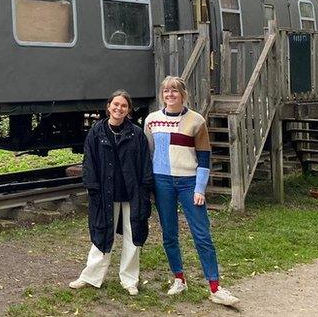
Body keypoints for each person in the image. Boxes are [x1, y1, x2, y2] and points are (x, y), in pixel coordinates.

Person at [145, 76, 240, 307]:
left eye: (174, 91)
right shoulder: (151, 120)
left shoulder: (196, 120)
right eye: (166, 91)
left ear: (183, 94)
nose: (170, 95)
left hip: (188, 183)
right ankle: (179, 278)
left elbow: (205, 157)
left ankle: (215, 286)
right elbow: (148, 154)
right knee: (169, 234)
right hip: (162, 182)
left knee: (202, 234)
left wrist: (200, 188)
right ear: (162, 94)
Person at [69, 90, 153, 295]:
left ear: (128, 110)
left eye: (124, 105)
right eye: (116, 104)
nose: (119, 108)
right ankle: (91, 277)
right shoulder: (96, 132)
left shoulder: (137, 133)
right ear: (108, 107)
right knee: (102, 233)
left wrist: (145, 189)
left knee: (133, 236)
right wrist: (92, 188)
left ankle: (130, 280)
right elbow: (88, 162)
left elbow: (144, 164)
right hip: (105, 194)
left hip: (131, 194)